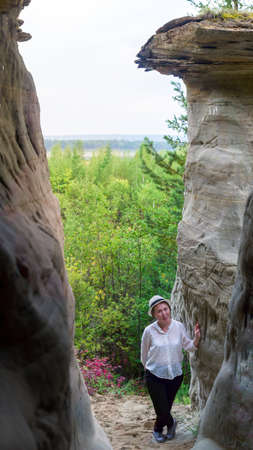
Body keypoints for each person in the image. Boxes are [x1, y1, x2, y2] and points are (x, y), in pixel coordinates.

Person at [141, 295, 200, 443]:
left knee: (165, 409)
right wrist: (149, 371)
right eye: (159, 311)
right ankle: (161, 429)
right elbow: (144, 355)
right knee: (162, 409)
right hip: (155, 376)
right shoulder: (149, 331)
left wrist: (197, 338)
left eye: (165, 309)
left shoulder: (178, 327)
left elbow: (189, 347)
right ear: (154, 315)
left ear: (169, 309)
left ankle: (165, 427)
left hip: (175, 376)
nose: (163, 313)